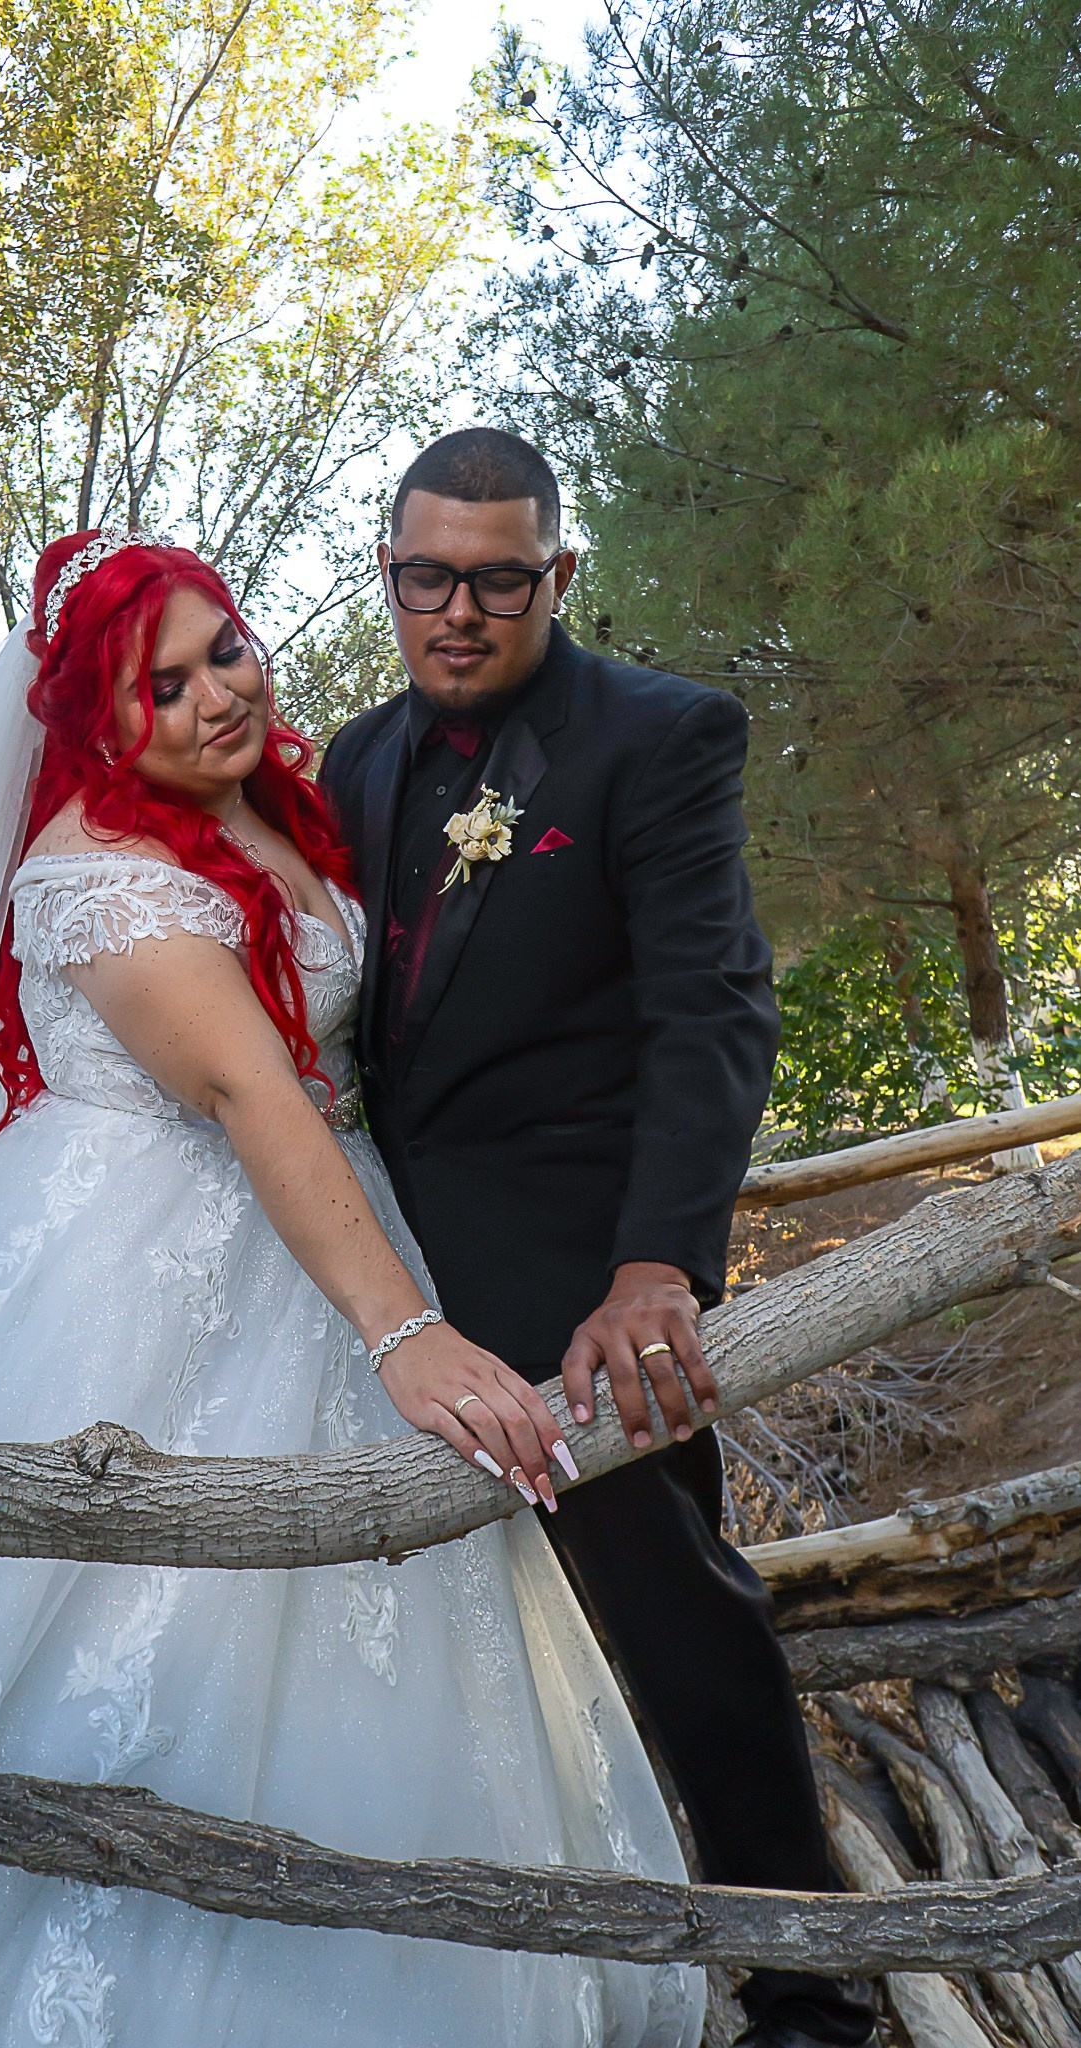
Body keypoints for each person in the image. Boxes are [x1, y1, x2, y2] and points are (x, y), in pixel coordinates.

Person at [0, 530, 704, 2044]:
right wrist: (404, 1334)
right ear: (96, 719)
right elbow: (248, 1096)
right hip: (124, 1278)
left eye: (224, 648)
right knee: (69, 1641)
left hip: (317, 1236)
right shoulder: (101, 877)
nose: (214, 696)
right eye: (160, 686)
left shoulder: (285, 803)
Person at [319, 428, 880, 2048]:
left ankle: (809, 1985)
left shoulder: (660, 734)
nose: (460, 611)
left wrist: (657, 1265)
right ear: (389, 575)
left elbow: (712, 1005)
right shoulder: (352, 760)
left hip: (579, 1281)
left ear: (556, 576)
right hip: (376, 1285)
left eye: (501, 579)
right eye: (426, 576)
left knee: (672, 1612)